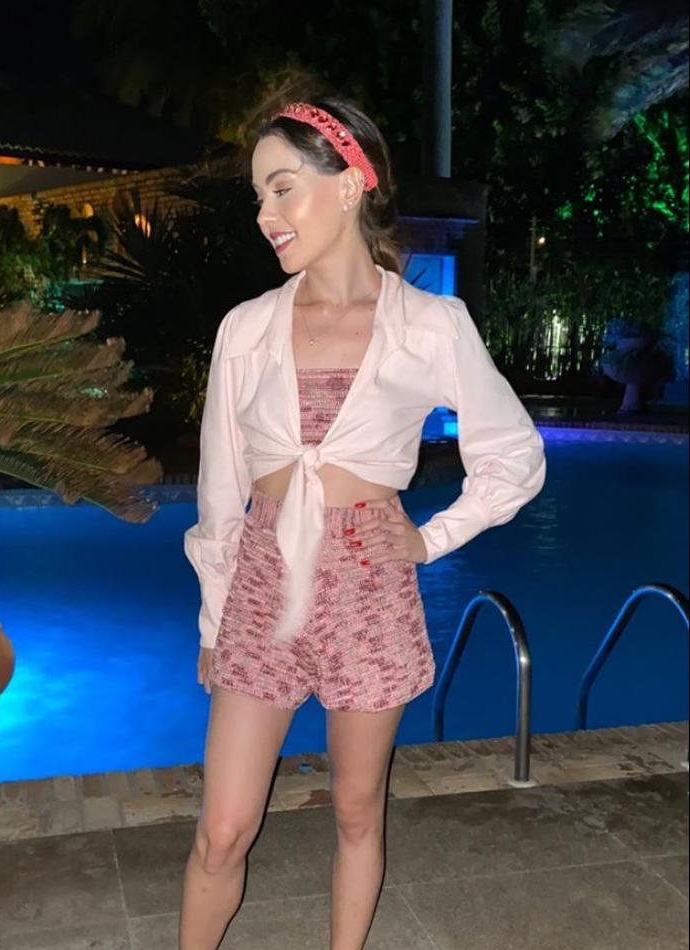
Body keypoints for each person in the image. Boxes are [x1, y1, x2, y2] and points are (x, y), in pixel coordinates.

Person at [179, 95, 546, 949]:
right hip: (261, 589)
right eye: (258, 197)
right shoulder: (246, 329)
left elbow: (513, 457)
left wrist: (429, 538)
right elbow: (219, 493)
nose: (265, 215)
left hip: (368, 592)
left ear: (349, 184)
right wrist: (212, 620)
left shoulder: (429, 325)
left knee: (354, 812)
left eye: (282, 189)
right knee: (222, 827)